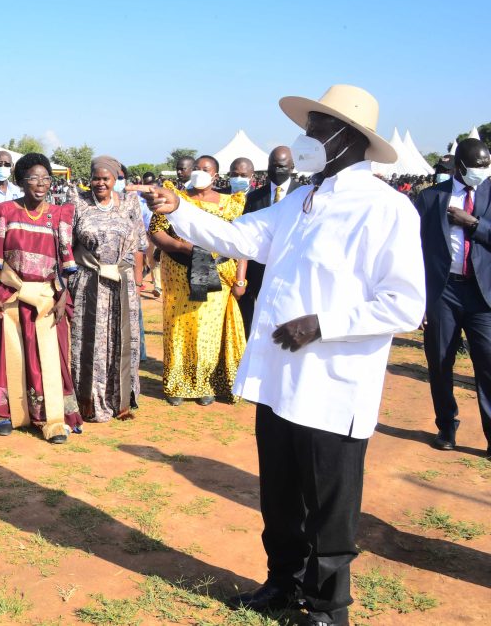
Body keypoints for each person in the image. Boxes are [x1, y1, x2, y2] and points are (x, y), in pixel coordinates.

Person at [146, 85, 424, 626]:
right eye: (310, 128)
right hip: (278, 379)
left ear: (349, 140)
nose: (306, 139)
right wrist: (178, 208)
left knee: (329, 504)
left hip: (332, 382)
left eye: (318, 129)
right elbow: (236, 239)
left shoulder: (386, 209)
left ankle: (326, 605)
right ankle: (282, 581)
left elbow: (405, 304)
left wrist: (324, 325)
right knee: (279, 495)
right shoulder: (298, 201)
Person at [0, 152, 81, 443]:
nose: (41, 183)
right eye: (33, 178)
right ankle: (2, 413)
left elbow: (66, 260)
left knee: (48, 357)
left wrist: (63, 297)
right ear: (21, 181)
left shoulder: (59, 214)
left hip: (48, 298)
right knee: (6, 354)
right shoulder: (4, 211)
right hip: (11, 295)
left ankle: (50, 417)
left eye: (46, 178)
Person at [150, 155, 247, 406]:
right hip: (179, 271)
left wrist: (240, 279)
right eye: (197, 169)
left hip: (216, 272)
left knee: (208, 330)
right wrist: (181, 248)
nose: (200, 173)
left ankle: (205, 384)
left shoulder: (230, 203)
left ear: (215, 175)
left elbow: (242, 242)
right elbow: (156, 231)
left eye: (206, 170)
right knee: (179, 327)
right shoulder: (174, 198)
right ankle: (177, 384)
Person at [416, 139, 491, 455]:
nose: (482, 172)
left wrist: (472, 223)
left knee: (487, 363)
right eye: (477, 166)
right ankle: (446, 426)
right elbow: (414, 249)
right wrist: (419, 298)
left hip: (482, 293)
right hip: (443, 292)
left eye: (486, 165)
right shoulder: (431, 197)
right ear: (459, 166)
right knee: (440, 361)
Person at [68, 155, 145, 422]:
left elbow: (138, 247)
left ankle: (120, 400)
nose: (100, 183)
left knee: (121, 341)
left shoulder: (130, 204)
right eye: (96, 178)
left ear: (115, 179)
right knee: (90, 342)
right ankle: (88, 402)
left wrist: (136, 279)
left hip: (122, 285)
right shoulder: (78, 203)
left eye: (106, 178)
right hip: (88, 281)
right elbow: (66, 245)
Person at [239, 146, 301, 334]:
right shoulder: (255, 197)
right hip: (258, 270)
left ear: (292, 167)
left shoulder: (304, 194)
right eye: (272, 166)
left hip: (292, 268)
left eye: (282, 166)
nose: (276, 171)